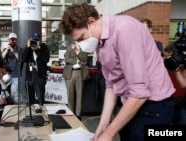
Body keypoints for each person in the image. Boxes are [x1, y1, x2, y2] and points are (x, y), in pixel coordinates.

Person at [59, 2, 175, 141]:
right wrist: (103, 124)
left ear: (92, 22)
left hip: (153, 107)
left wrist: (108, 134)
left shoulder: (125, 30)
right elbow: (111, 84)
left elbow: (140, 93)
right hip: (131, 105)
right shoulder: (99, 41)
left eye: (82, 38)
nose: (81, 44)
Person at [63, 43, 90, 119]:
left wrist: (77, 51)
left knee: (80, 94)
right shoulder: (69, 46)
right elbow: (67, 59)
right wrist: (78, 61)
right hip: (70, 73)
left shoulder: (84, 47)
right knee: (70, 94)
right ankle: (71, 113)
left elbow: (84, 59)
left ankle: (78, 114)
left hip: (80, 73)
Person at [22, 32, 50, 105]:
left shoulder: (44, 47)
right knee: (30, 96)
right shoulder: (29, 48)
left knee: (41, 96)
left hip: (40, 75)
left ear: (39, 40)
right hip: (30, 75)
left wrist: (37, 50)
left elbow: (46, 59)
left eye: (37, 40)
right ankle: (31, 112)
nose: (35, 42)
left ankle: (41, 110)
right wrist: (27, 48)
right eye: (34, 40)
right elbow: (24, 59)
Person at [1, 32, 20, 103]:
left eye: (14, 40)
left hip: (16, 73)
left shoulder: (19, 49)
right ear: (8, 41)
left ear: (16, 40)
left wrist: (14, 51)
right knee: (7, 91)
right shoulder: (6, 49)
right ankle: (7, 103)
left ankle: (15, 104)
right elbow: (1, 58)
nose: (12, 41)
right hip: (7, 74)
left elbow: (20, 59)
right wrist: (6, 49)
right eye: (11, 40)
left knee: (15, 92)